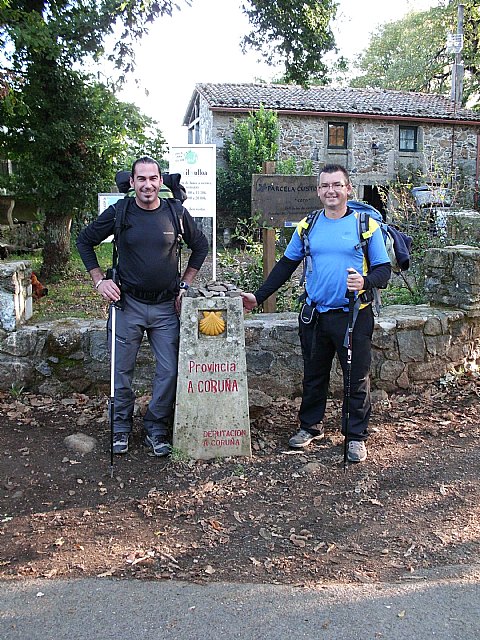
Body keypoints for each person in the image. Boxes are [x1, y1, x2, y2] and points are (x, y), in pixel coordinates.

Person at [242, 164, 391, 463]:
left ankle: (355, 436)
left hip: (354, 314)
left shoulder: (366, 225)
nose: (331, 191)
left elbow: (384, 271)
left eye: (337, 185)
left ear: (348, 189)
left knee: (356, 377)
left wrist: (365, 282)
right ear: (318, 191)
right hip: (315, 314)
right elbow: (285, 265)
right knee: (314, 374)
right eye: (325, 186)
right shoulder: (308, 225)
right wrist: (258, 297)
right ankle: (310, 427)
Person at [77, 156, 208, 457]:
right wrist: (99, 281)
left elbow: (200, 246)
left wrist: (185, 284)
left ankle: (155, 427)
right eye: (141, 179)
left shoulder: (175, 213)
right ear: (132, 182)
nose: (148, 185)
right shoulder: (120, 212)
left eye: (153, 179)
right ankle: (120, 427)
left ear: (161, 182)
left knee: (170, 370)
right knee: (121, 370)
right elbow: (84, 241)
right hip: (127, 304)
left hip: (166, 308)